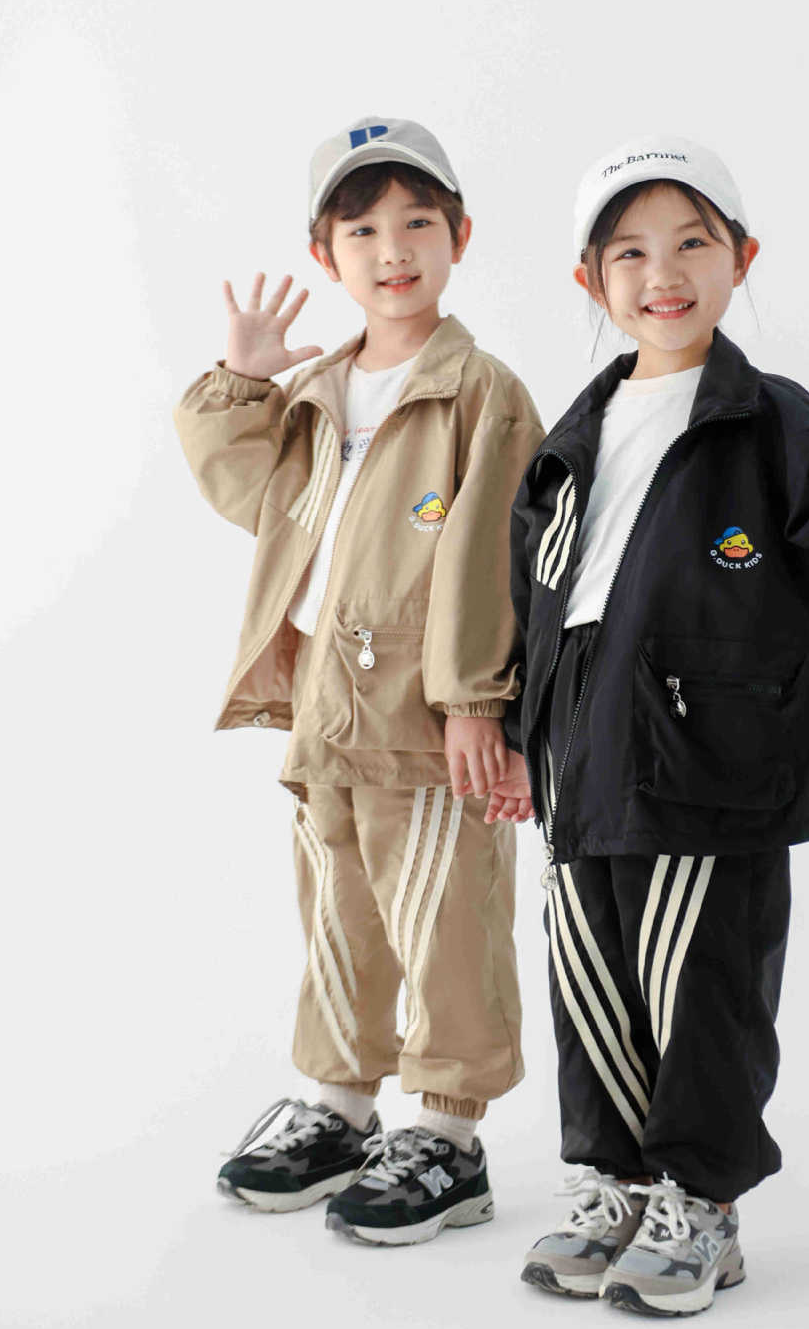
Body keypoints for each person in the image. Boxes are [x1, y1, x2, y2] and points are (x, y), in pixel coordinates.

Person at [507, 138, 809, 1316]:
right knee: (592, 978)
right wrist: (519, 730)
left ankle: (699, 1203)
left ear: (740, 259)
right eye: (628, 254)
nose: (661, 274)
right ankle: (615, 1183)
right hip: (578, 747)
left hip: (708, 755)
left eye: (690, 245)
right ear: (589, 281)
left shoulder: (767, 417)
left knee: (700, 982)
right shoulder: (575, 431)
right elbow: (537, 591)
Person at [174, 117, 542, 1246]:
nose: (394, 250)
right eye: (363, 230)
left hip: (426, 716)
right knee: (337, 909)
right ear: (324, 254)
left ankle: (447, 1135)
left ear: (459, 237)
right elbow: (249, 493)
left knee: (443, 916)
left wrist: (477, 701)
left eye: (418, 223)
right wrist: (242, 378)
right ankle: (338, 1106)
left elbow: (496, 556)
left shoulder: (479, 392)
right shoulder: (317, 393)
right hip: (325, 706)